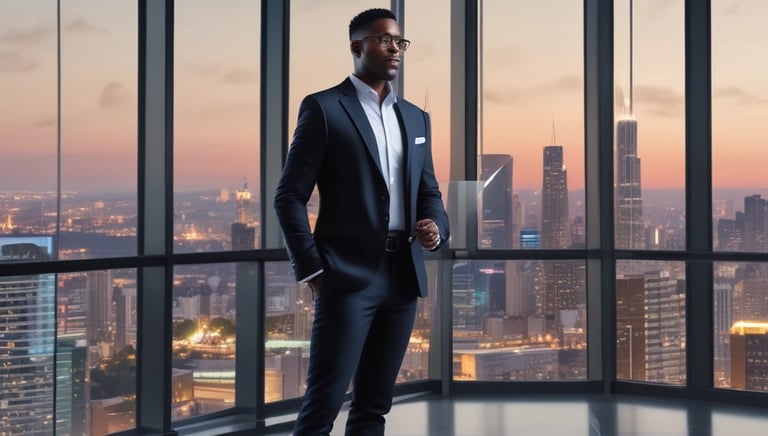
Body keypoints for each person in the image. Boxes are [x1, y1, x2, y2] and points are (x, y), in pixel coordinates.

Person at [274, 8, 449, 436]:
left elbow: (429, 192)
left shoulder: (415, 117)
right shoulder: (324, 108)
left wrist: (434, 227)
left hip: (403, 278)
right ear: (357, 47)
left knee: (374, 408)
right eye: (384, 40)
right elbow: (289, 196)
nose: (395, 49)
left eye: (399, 42)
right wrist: (315, 271)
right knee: (323, 406)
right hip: (347, 277)